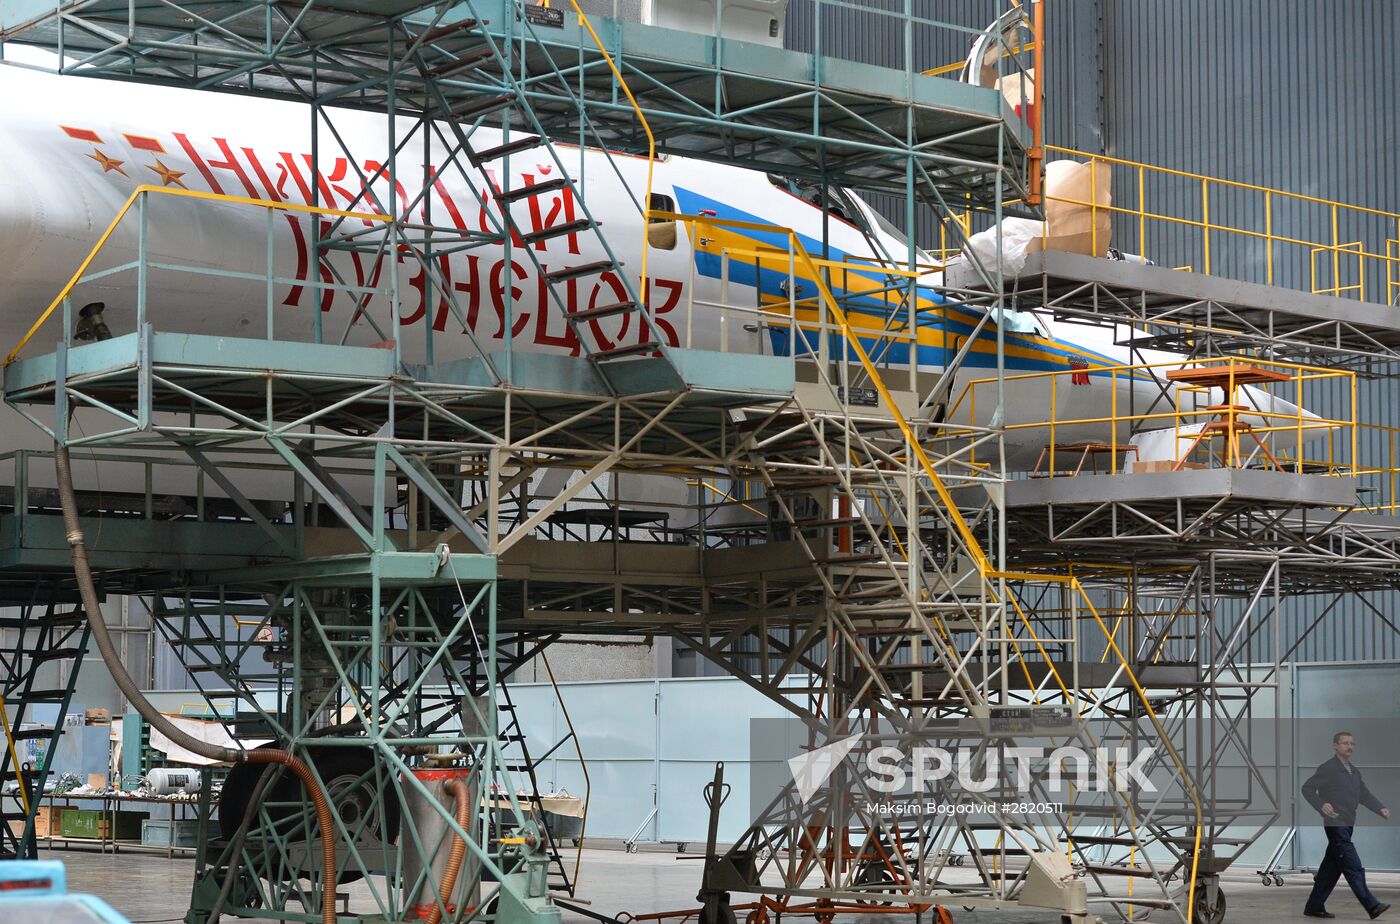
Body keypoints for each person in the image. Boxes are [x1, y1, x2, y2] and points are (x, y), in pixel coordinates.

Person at [1302, 731, 1392, 919]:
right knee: (1352, 864)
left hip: (1348, 824)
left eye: (1352, 743)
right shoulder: (1328, 768)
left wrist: (1381, 809)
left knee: (1331, 868)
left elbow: (1364, 795)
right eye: (1345, 743)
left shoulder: (1354, 772)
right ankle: (1372, 905)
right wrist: (1321, 805)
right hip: (1335, 823)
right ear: (1335, 746)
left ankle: (1314, 906)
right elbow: (1307, 788)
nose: (1349, 746)